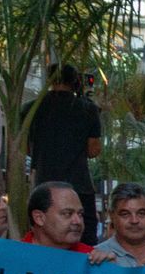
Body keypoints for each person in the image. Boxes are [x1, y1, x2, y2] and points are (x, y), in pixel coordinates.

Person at [24, 64, 103, 245]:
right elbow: (93, 149)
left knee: (43, 239)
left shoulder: (31, 109)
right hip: (79, 185)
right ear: (75, 81)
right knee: (85, 239)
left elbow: (26, 148)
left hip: (43, 186)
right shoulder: (87, 109)